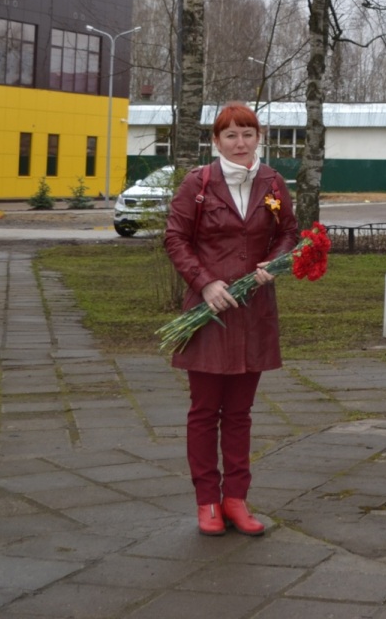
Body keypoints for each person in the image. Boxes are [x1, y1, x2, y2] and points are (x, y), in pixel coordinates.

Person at [163, 103, 299, 537]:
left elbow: (289, 233)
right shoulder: (198, 184)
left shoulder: (273, 182)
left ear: (259, 137)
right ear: (216, 141)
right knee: (205, 411)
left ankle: (236, 499)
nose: (241, 143)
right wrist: (204, 284)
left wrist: (273, 264)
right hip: (209, 315)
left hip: (253, 311)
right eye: (231, 136)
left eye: (248, 134)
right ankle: (208, 503)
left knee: (239, 413)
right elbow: (176, 238)